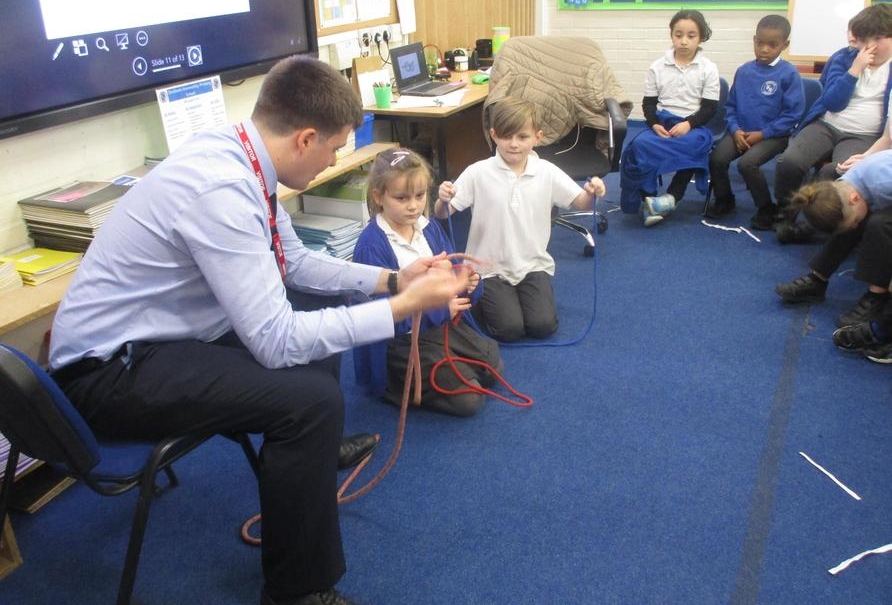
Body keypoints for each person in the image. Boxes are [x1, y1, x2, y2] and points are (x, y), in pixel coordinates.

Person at [47, 56, 472, 605]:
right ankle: (297, 591)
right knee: (311, 401)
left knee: (313, 315)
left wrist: (393, 279)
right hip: (108, 374)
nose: (335, 159)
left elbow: (293, 262)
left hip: (162, 336)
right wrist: (401, 307)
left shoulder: (244, 157)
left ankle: (313, 453)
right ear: (305, 139)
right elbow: (275, 341)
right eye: (334, 148)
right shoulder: (222, 190)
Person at [434, 96, 606, 342]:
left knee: (543, 326)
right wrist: (442, 199)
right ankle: (479, 297)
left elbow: (581, 203)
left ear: (538, 137)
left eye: (522, 137)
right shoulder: (478, 172)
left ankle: (518, 297)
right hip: (488, 268)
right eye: (506, 136)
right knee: (509, 330)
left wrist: (592, 193)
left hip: (532, 264)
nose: (514, 144)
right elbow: (442, 213)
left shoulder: (546, 171)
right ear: (493, 135)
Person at [352, 148, 503, 416]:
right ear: (378, 197)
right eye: (401, 198)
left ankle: (449, 367)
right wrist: (443, 310)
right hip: (400, 341)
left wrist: (469, 282)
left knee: (492, 364)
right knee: (468, 399)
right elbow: (381, 316)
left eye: (420, 196)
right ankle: (395, 385)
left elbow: (455, 272)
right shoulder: (371, 245)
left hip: (438, 325)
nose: (413, 205)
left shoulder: (428, 227)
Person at [774, 3, 892, 243]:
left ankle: (813, 223)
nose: (869, 46)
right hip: (827, 125)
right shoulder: (844, 57)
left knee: (838, 173)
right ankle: (785, 215)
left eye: (878, 39)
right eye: (863, 40)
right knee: (790, 162)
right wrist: (854, 70)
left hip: (865, 135)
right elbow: (833, 102)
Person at [775, 144, 892, 332]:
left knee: (877, 224)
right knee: (850, 221)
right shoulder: (844, 188)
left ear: (854, 198)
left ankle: (877, 296)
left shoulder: (883, 184)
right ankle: (817, 280)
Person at [619, 9, 721, 226]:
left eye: (691, 36)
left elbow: (710, 108)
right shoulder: (657, 66)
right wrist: (654, 124)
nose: (684, 41)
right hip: (663, 123)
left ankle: (670, 198)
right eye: (678, 35)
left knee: (696, 146)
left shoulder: (709, 68)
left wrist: (689, 124)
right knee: (639, 146)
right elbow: (649, 103)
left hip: (692, 125)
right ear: (671, 35)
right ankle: (649, 199)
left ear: (701, 37)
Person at [705, 15, 805, 229]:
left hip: (774, 136)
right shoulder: (744, 71)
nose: (764, 49)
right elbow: (731, 107)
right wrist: (735, 130)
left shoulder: (789, 74)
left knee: (747, 164)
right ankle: (725, 199)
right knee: (717, 159)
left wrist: (763, 134)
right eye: (760, 43)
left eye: (772, 45)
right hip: (741, 133)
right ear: (754, 40)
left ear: (785, 45)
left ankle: (766, 208)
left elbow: (792, 115)